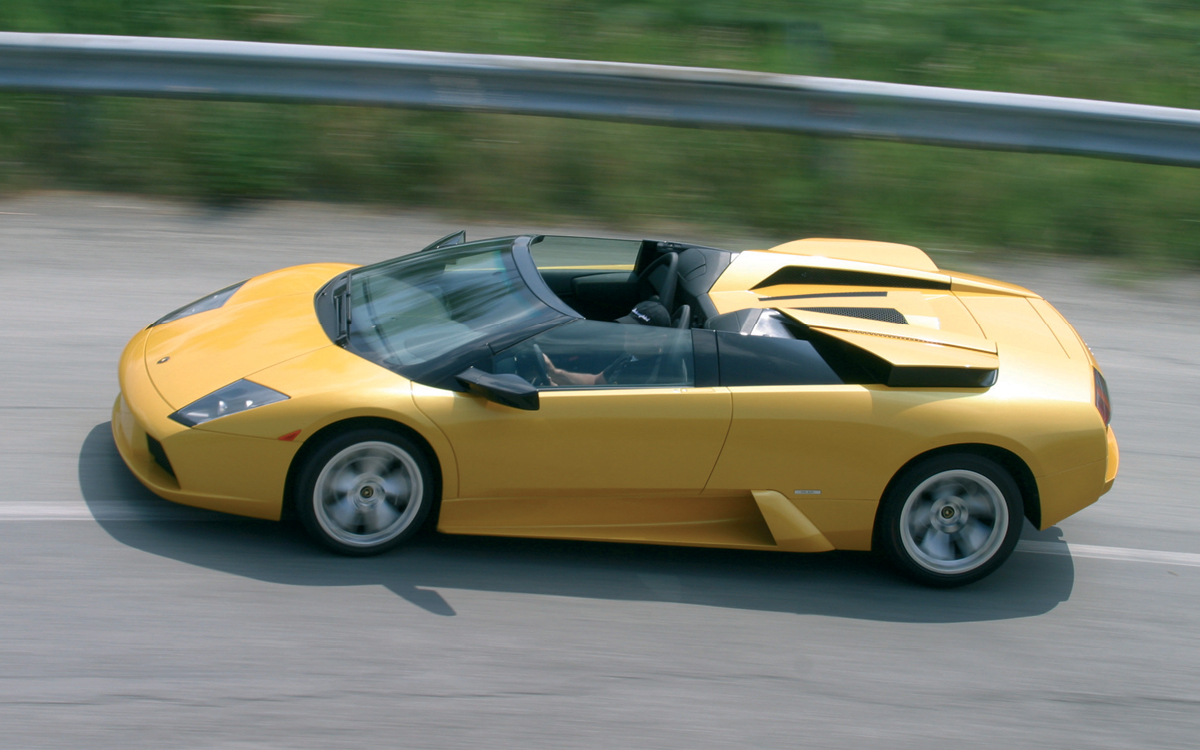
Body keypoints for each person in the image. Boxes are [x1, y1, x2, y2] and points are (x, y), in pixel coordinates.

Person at [541, 301, 675, 387]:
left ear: (660, 339)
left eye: (637, 332)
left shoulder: (653, 377)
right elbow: (595, 382)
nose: (628, 335)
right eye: (628, 328)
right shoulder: (632, 356)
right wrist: (554, 373)